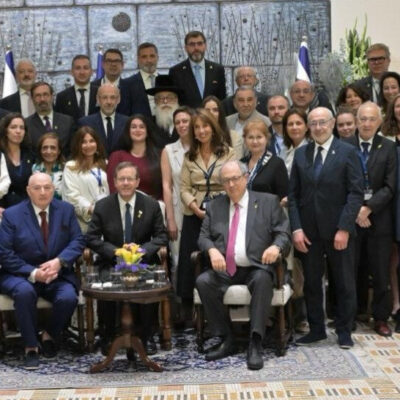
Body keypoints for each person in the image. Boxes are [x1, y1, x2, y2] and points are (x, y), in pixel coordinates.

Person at [196, 160, 291, 369]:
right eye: (226, 181)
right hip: (226, 268)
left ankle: (255, 342)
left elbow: (283, 233)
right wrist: (211, 250)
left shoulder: (268, 202)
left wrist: (275, 247)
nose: (231, 185)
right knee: (204, 281)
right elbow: (203, 237)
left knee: (263, 279)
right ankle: (227, 338)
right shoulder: (215, 206)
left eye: (235, 179)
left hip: (257, 266)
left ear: (246, 178)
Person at [288, 107, 364, 349]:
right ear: (308, 127)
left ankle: (344, 331)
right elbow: (293, 196)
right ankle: (316, 330)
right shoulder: (301, 154)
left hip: (339, 231)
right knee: (311, 283)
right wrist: (296, 229)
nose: (318, 127)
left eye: (323, 122)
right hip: (309, 233)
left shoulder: (347, 152)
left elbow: (356, 193)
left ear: (332, 124)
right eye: (313, 123)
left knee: (344, 283)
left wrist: (344, 228)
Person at [0, 172, 84, 369]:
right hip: (20, 274)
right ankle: (30, 346)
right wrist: (34, 273)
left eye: (47, 187)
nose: (43, 192)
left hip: (56, 273)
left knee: (68, 297)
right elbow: (4, 253)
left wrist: (60, 261)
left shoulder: (66, 210)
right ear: (28, 191)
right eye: (37, 188)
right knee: (24, 292)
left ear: (53, 189)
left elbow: (78, 241)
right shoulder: (12, 215)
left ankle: (49, 335)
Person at [86, 161, 168, 355]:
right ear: (114, 182)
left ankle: (146, 336)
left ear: (137, 181)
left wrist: (142, 250)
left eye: (129, 179)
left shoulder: (151, 205)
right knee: (104, 283)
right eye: (121, 179)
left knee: (149, 284)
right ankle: (108, 335)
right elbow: (91, 238)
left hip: (143, 261)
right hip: (112, 261)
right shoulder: (103, 206)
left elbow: (162, 236)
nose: (125, 183)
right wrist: (115, 251)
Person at [345, 101, 397, 337]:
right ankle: (352, 315)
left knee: (380, 271)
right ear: (356, 121)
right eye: (362, 119)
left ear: (379, 122)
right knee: (352, 269)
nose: (366, 123)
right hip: (352, 218)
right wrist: (357, 209)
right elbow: (340, 183)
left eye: (371, 119)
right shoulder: (344, 145)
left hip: (380, 219)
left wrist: (368, 208)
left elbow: (390, 186)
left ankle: (381, 318)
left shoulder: (388, 147)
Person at [178, 109, 236, 308]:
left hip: (222, 209)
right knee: (191, 258)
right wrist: (195, 208)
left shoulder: (228, 152)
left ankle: (221, 304)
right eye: (197, 127)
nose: (201, 131)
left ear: (213, 128)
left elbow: (233, 182)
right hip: (194, 210)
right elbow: (184, 188)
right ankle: (190, 308)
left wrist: (215, 210)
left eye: (205, 126)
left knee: (219, 255)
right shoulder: (189, 156)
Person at [161, 107, 193, 290]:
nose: (181, 125)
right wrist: (170, 219)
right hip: (178, 209)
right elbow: (167, 185)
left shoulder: (202, 145)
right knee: (178, 258)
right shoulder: (168, 150)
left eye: (185, 121)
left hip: (199, 207)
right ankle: (179, 300)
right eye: (178, 122)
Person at [61, 126, 109, 232]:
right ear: (78, 145)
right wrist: (91, 209)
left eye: (91, 141)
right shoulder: (71, 167)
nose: (88, 145)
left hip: (105, 221)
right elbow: (71, 196)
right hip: (82, 224)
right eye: (83, 142)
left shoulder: (104, 164)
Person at [107, 115, 162, 199]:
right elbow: (113, 187)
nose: (137, 130)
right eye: (133, 127)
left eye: (141, 127)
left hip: (155, 204)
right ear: (128, 131)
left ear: (147, 131)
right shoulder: (116, 156)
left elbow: (165, 186)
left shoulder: (160, 155)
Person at [169, 31, 226, 108]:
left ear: (205, 46)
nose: (196, 48)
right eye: (192, 44)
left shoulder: (217, 70)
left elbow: (222, 99)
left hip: (211, 115)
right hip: (188, 115)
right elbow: (175, 101)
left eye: (200, 44)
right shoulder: (176, 72)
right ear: (186, 48)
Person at [25, 82, 75, 157]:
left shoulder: (68, 121)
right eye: (38, 96)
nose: (42, 99)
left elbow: (73, 150)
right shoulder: (26, 124)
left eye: (45, 94)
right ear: (32, 99)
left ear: (52, 97)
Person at [241, 119, 288, 200]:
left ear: (266, 139)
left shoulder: (277, 163)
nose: (255, 141)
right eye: (250, 137)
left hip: (268, 207)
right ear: (245, 140)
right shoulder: (241, 163)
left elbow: (283, 196)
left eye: (259, 137)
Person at [78, 83, 128, 155]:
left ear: (118, 99)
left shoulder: (127, 122)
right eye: (104, 97)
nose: (109, 102)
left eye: (112, 97)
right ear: (98, 99)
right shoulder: (85, 123)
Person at [0, 113, 33, 209]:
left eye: (22, 128)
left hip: (28, 207)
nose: (18, 131)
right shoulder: (0, 155)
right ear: (5, 130)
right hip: (4, 209)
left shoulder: (30, 154)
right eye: (13, 127)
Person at [54, 55, 99, 121]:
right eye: (78, 68)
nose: (82, 72)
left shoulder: (100, 93)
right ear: (72, 72)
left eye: (86, 68)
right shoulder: (62, 97)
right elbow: (59, 122)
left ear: (91, 72)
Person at [125, 42, 160, 117]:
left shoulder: (167, 81)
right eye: (144, 57)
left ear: (157, 57)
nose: (149, 60)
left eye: (152, 56)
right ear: (138, 59)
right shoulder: (127, 84)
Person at [145, 75, 181, 148]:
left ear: (176, 99)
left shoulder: (186, 123)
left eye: (169, 97)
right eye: (161, 98)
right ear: (155, 101)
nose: (165, 101)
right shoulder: (148, 124)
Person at [92, 48, 130, 115]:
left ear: (122, 65)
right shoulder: (92, 87)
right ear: (103, 64)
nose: (113, 64)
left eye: (117, 61)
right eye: (109, 61)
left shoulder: (130, 88)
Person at [32, 133, 65, 199]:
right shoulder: (34, 168)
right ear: (40, 150)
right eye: (45, 148)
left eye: (53, 148)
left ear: (59, 151)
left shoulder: (66, 169)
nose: (48, 151)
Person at [280, 109, 310, 176]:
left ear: (306, 127)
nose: (294, 127)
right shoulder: (284, 150)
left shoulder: (312, 151)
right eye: (290, 124)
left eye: (298, 123)